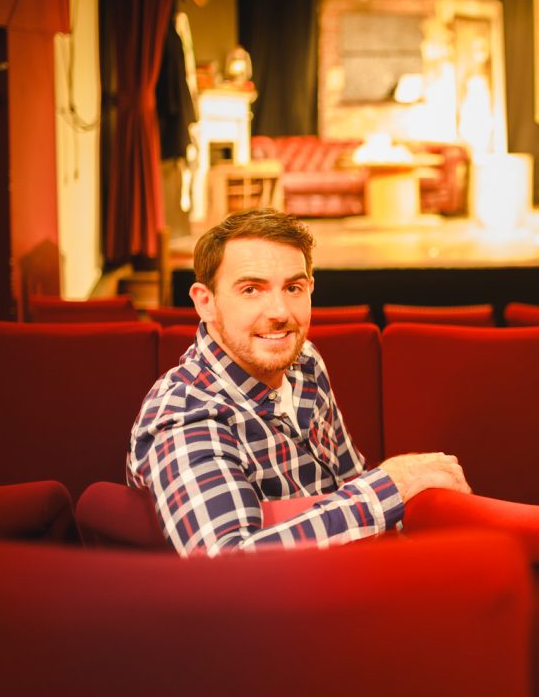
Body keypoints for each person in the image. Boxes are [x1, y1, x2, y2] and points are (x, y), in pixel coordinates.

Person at [127, 208, 470, 556]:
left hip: (344, 579)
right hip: (274, 607)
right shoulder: (186, 413)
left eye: (293, 287)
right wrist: (392, 485)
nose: (279, 312)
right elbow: (226, 568)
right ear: (206, 302)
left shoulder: (305, 362)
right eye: (251, 289)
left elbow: (349, 482)